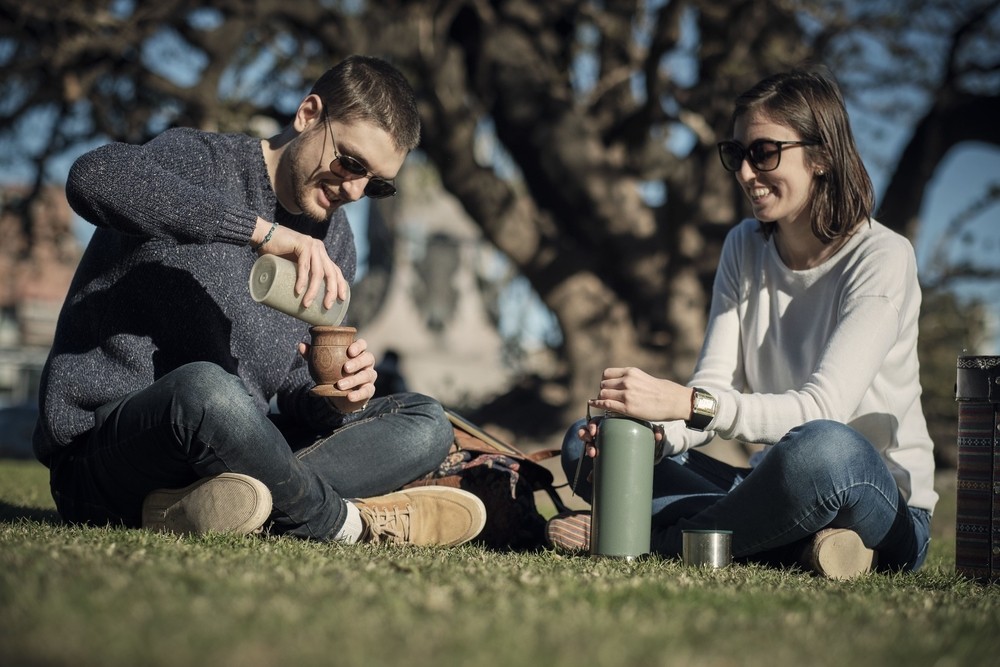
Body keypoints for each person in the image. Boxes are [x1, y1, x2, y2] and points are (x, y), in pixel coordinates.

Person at [32, 55, 486, 547]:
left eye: (375, 183)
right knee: (207, 390)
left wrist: (333, 395)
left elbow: (289, 385)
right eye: (351, 162)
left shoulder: (336, 242)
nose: (355, 190)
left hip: (232, 451)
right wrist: (260, 234)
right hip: (108, 450)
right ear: (308, 115)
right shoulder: (199, 158)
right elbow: (92, 177)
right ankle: (345, 523)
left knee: (426, 421)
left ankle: (213, 505)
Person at [545, 67, 937, 579]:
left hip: (873, 495)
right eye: (738, 155)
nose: (747, 173)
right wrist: (660, 435)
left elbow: (823, 409)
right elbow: (714, 387)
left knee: (822, 446)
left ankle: (650, 540)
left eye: (764, 153)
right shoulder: (743, 247)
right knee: (592, 442)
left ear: (821, 156)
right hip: (769, 486)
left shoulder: (883, 256)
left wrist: (685, 404)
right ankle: (800, 543)